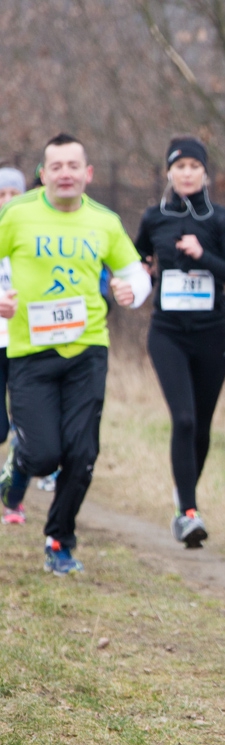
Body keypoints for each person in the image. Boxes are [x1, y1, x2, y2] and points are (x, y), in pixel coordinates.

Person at [0, 132, 151, 576]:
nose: (64, 173)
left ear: (87, 174)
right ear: (42, 175)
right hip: (30, 353)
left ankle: (59, 540)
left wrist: (131, 291)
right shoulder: (15, 214)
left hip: (88, 349)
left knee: (82, 453)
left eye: (73, 166)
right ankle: (19, 467)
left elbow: (135, 273)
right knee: (45, 455)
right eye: (55, 166)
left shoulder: (104, 221)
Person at [134, 136, 225, 548]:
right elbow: (135, 263)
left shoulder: (220, 220)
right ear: (169, 172)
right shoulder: (154, 218)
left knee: (201, 426)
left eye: (193, 166)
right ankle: (188, 511)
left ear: (205, 172)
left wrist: (203, 255)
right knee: (183, 419)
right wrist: (141, 273)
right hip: (167, 333)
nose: (186, 172)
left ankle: (184, 497)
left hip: (211, 336)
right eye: (179, 166)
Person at [0, 167, 25, 524]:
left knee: (27, 427)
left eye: (13, 195)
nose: (7, 201)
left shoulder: (35, 236)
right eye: (1, 195)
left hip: (25, 342)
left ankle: (13, 500)